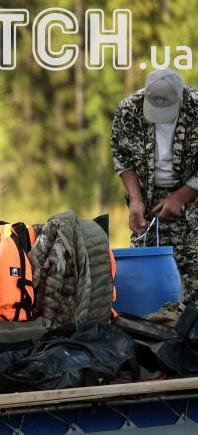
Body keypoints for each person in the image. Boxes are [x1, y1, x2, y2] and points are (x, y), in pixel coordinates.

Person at [112, 68, 198, 305]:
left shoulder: (196, 107)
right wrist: (135, 200)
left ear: (182, 98)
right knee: (145, 274)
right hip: (147, 200)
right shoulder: (129, 109)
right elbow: (121, 155)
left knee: (191, 278)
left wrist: (180, 197)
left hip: (192, 201)